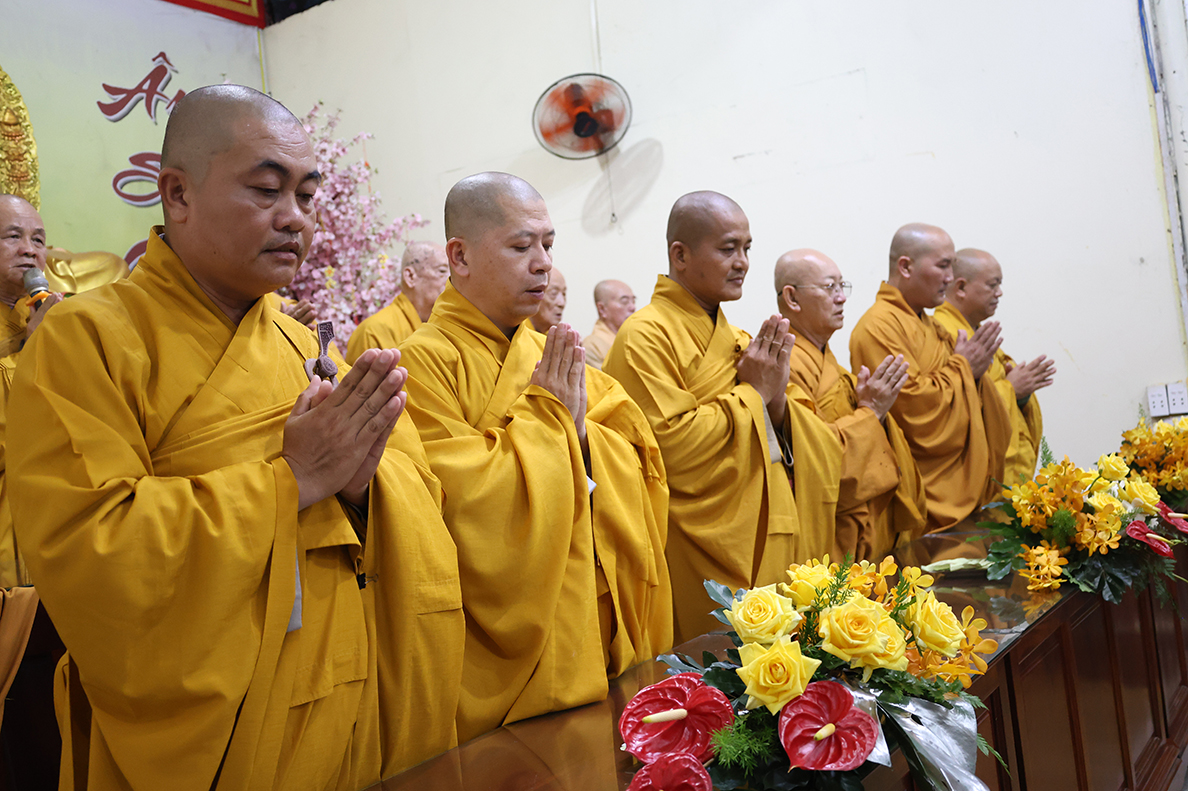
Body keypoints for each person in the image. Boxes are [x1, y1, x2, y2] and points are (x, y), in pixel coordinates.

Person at [8, 85, 464, 790]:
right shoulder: (84, 339)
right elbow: (93, 549)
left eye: (307, 196)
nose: (295, 218)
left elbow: (417, 496)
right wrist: (293, 480)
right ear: (177, 194)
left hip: (348, 699)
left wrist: (362, 486)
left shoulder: (304, 343)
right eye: (266, 190)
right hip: (204, 735)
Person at [398, 172, 672, 742]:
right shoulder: (420, 364)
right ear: (459, 256)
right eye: (521, 246)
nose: (543, 263)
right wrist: (553, 428)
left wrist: (583, 440)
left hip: (594, 617)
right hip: (498, 653)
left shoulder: (552, 354)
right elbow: (449, 504)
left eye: (548, 244)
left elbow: (639, 457)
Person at [602, 192, 842, 642]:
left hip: (767, 531)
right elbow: (668, 448)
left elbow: (814, 442)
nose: (743, 262)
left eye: (747, 248)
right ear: (680, 255)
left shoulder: (741, 339)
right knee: (715, 670)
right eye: (728, 248)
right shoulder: (644, 336)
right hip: (695, 545)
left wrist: (774, 399)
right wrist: (755, 393)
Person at [849, 223, 1011, 533]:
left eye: (952, 266)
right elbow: (913, 410)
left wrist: (971, 372)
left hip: (960, 492)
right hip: (920, 495)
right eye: (943, 265)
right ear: (905, 266)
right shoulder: (878, 326)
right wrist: (964, 368)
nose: (950, 277)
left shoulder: (931, 325)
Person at [775, 249, 926, 561]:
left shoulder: (833, 368)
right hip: (822, 536)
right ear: (792, 298)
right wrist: (871, 412)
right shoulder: (782, 367)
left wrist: (873, 412)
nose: (842, 297)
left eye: (842, 286)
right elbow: (812, 458)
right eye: (830, 287)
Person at [934, 248, 1053, 485]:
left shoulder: (976, 332)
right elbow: (946, 408)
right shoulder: (943, 332)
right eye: (992, 285)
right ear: (961, 287)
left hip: (1007, 477)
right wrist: (1010, 389)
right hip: (973, 482)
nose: (999, 293)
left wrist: (1020, 395)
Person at [0, 194, 62, 588]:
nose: (30, 250)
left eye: (38, 240)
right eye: (13, 236)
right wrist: (32, 353)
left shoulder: (52, 317)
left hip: (57, 528)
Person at [346, 241, 450, 361]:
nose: (450, 279)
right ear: (410, 276)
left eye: (452, 272)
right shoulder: (373, 331)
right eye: (442, 271)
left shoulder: (444, 326)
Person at [583, 279, 635, 369]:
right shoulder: (591, 347)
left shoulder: (634, 339)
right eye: (625, 302)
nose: (633, 307)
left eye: (633, 301)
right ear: (602, 309)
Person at [528, 265, 566, 333]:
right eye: (554, 293)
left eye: (564, 294)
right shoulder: (515, 333)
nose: (562, 303)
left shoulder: (554, 336)